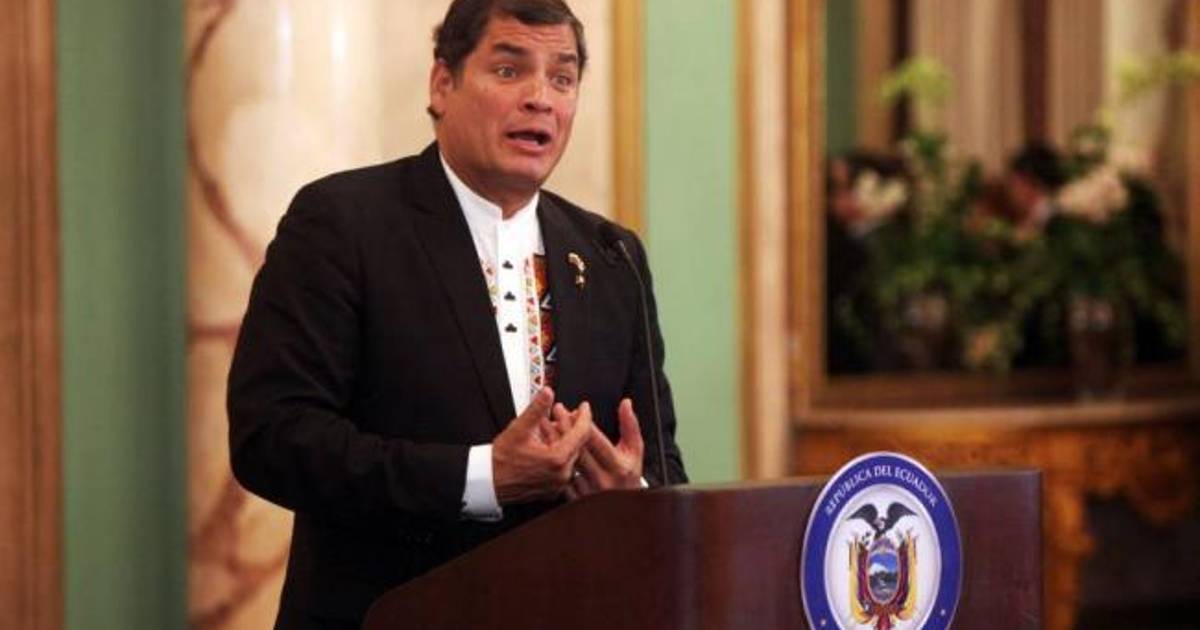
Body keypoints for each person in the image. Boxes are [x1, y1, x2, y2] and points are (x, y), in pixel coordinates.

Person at [226, 1, 687, 627]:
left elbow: (661, 461)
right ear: (442, 84)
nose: (540, 99)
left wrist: (631, 494)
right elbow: (272, 439)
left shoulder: (611, 256)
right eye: (509, 70)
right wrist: (481, 477)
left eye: (562, 77)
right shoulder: (343, 223)